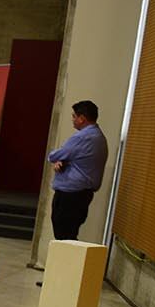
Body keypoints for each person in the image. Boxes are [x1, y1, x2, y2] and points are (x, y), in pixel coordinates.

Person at [47, 99, 108, 240]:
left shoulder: (83, 137)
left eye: (74, 116)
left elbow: (55, 155)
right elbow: (75, 157)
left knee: (64, 234)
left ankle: (65, 262)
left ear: (82, 119)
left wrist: (59, 158)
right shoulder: (98, 136)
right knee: (69, 233)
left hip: (71, 195)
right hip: (82, 194)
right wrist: (63, 160)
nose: (72, 120)